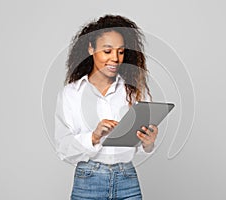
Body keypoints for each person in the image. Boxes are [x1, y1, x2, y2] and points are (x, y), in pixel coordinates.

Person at [54, 14, 159, 200]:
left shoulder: (135, 92)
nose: (116, 59)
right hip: (88, 181)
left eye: (120, 51)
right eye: (107, 51)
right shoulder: (71, 94)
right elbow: (63, 149)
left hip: (127, 179)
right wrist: (94, 136)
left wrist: (148, 142)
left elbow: (143, 149)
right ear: (91, 48)